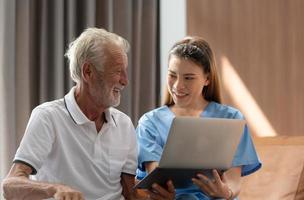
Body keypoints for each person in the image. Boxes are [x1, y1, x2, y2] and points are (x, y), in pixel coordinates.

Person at [2, 28, 138, 200]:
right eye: (118, 71)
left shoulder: (124, 124)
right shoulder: (48, 117)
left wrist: (160, 196)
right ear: (88, 72)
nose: (125, 81)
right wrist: (54, 189)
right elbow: (10, 185)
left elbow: (131, 193)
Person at [136, 36, 262, 200]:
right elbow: (156, 176)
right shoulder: (150, 122)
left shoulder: (231, 119)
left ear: (207, 79)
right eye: (172, 75)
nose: (177, 85)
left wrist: (226, 192)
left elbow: (233, 180)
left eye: (188, 77)